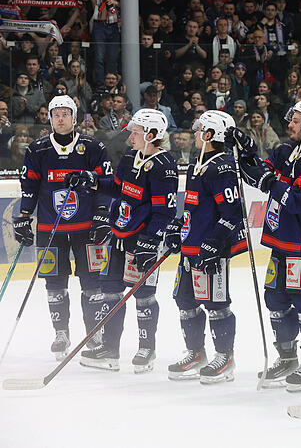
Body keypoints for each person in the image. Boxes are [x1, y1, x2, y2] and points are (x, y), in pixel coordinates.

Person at [69, 109, 178, 373]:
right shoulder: (131, 157)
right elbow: (118, 187)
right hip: (119, 234)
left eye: (136, 132)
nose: (130, 136)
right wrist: (91, 180)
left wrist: (149, 242)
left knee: (143, 296)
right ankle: (110, 347)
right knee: (110, 291)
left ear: (151, 135)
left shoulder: (164, 166)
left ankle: (146, 348)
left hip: (143, 241)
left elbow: (165, 211)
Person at [235, 99, 301, 390]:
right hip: (280, 239)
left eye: (296, 119)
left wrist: (271, 181)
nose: (289, 123)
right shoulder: (285, 149)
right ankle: (287, 356)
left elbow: (300, 200)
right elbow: (257, 175)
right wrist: (245, 151)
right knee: (275, 298)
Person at [14, 95, 113, 360]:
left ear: (74, 117)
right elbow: (30, 186)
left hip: (87, 228)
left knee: (92, 282)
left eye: (65, 113)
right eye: (55, 114)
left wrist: (103, 213)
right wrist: (24, 216)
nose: (60, 118)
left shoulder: (93, 147)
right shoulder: (37, 149)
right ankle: (61, 332)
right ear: (50, 118)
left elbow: (106, 182)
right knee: (54, 284)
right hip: (50, 229)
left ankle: (94, 334)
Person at [165, 110, 248, 384]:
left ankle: (225, 356)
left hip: (212, 249)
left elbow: (233, 212)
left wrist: (214, 243)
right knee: (185, 301)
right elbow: (192, 206)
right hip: (191, 247)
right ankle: (196, 352)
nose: (194, 132)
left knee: (216, 304)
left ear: (210, 133)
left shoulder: (222, 166)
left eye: (199, 128)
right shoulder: (195, 164)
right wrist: (179, 226)